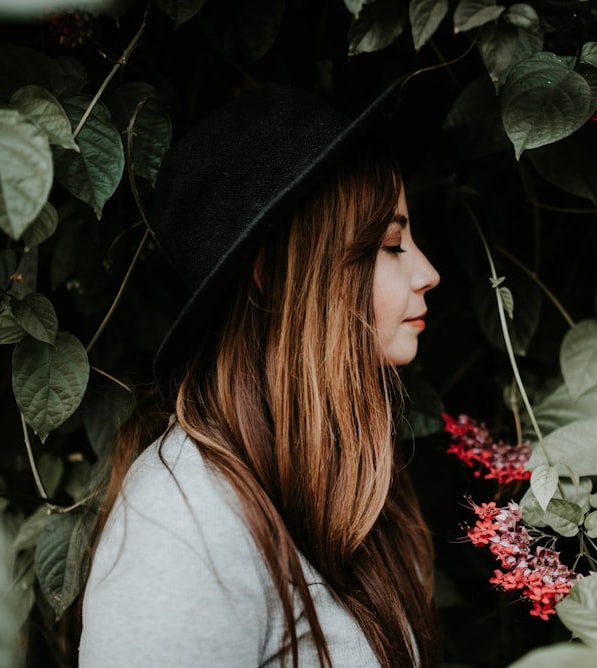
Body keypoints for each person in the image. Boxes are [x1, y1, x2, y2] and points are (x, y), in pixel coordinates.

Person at [77, 81, 441, 667]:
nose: (428, 272)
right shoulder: (182, 521)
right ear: (275, 273)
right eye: (390, 243)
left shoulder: (359, 481)